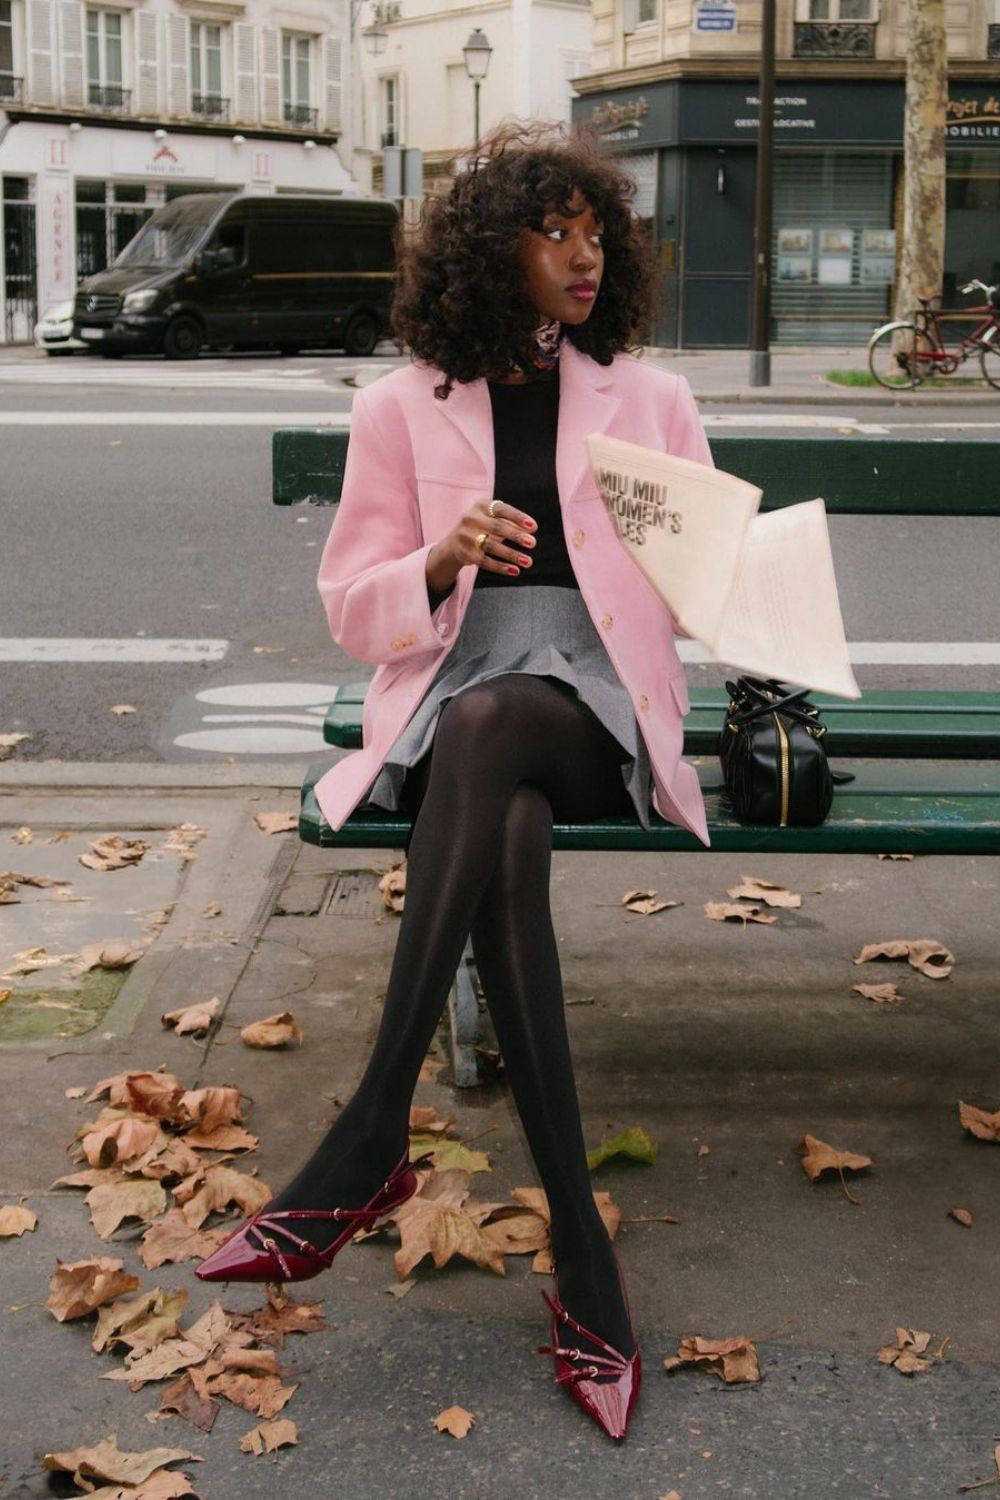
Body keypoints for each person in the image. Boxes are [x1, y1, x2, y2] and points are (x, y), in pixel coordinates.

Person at [198, 120, 712, 1441]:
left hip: (590, 707)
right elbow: (355, 611)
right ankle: (585, 1274)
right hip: (448, 688)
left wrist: (686, 565)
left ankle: (372, 1132)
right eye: (558, 234)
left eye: (600, 234)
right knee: (504, 833)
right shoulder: (398, 405)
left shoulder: (647, 400)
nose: (587, 257)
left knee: (496, 740)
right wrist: (438, 558)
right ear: (498, 251)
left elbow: (696, 600)